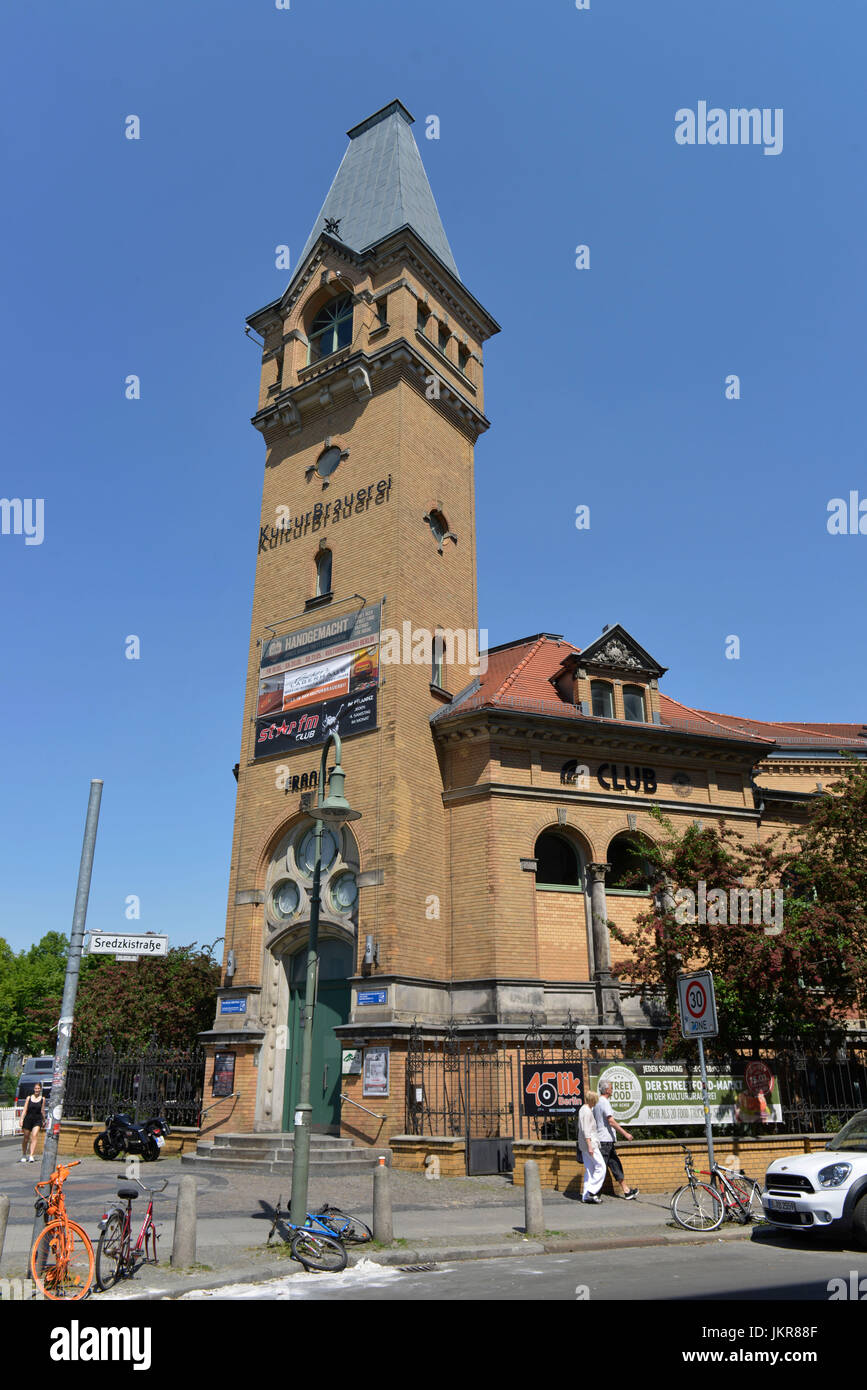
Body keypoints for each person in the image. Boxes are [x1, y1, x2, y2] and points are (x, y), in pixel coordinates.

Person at [593, 1080, 639, 1199]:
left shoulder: (597, 1102)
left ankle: (626, 1190)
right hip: (605, 1141)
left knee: (615, 1165)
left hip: (605, 1140)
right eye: (611, 1088)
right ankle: (594, 1193)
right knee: (601, 1167)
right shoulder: (604, 1102)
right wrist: (626, 1134)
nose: (612, 1090)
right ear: (607, 1090)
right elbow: (611, 1121)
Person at [577, 1089, 606, 1203]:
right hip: (590, 1144)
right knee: (601, 1167)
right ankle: (591, 1191)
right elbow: (586, 1130)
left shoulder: (584, 1109)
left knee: (590, 1169)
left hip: (584, 1145)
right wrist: (590, 1145)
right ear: (592, 1100)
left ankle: (586, 1195)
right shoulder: (587, 1111)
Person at [19, 1082, 46, 1163]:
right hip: (28, 1119)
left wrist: (44, 1120)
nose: (37, 1090)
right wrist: (21, 1119)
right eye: (36, 1088)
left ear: (40, 1089)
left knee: (34, 1136)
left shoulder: (42, 1099)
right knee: (26, 1138)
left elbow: (42, 1110)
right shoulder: (29, 1098)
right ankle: (24, 1154)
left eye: (38, 1088)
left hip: (37, 1119)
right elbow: (25, 1110)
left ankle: (31, 1155)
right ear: (34, 1089)